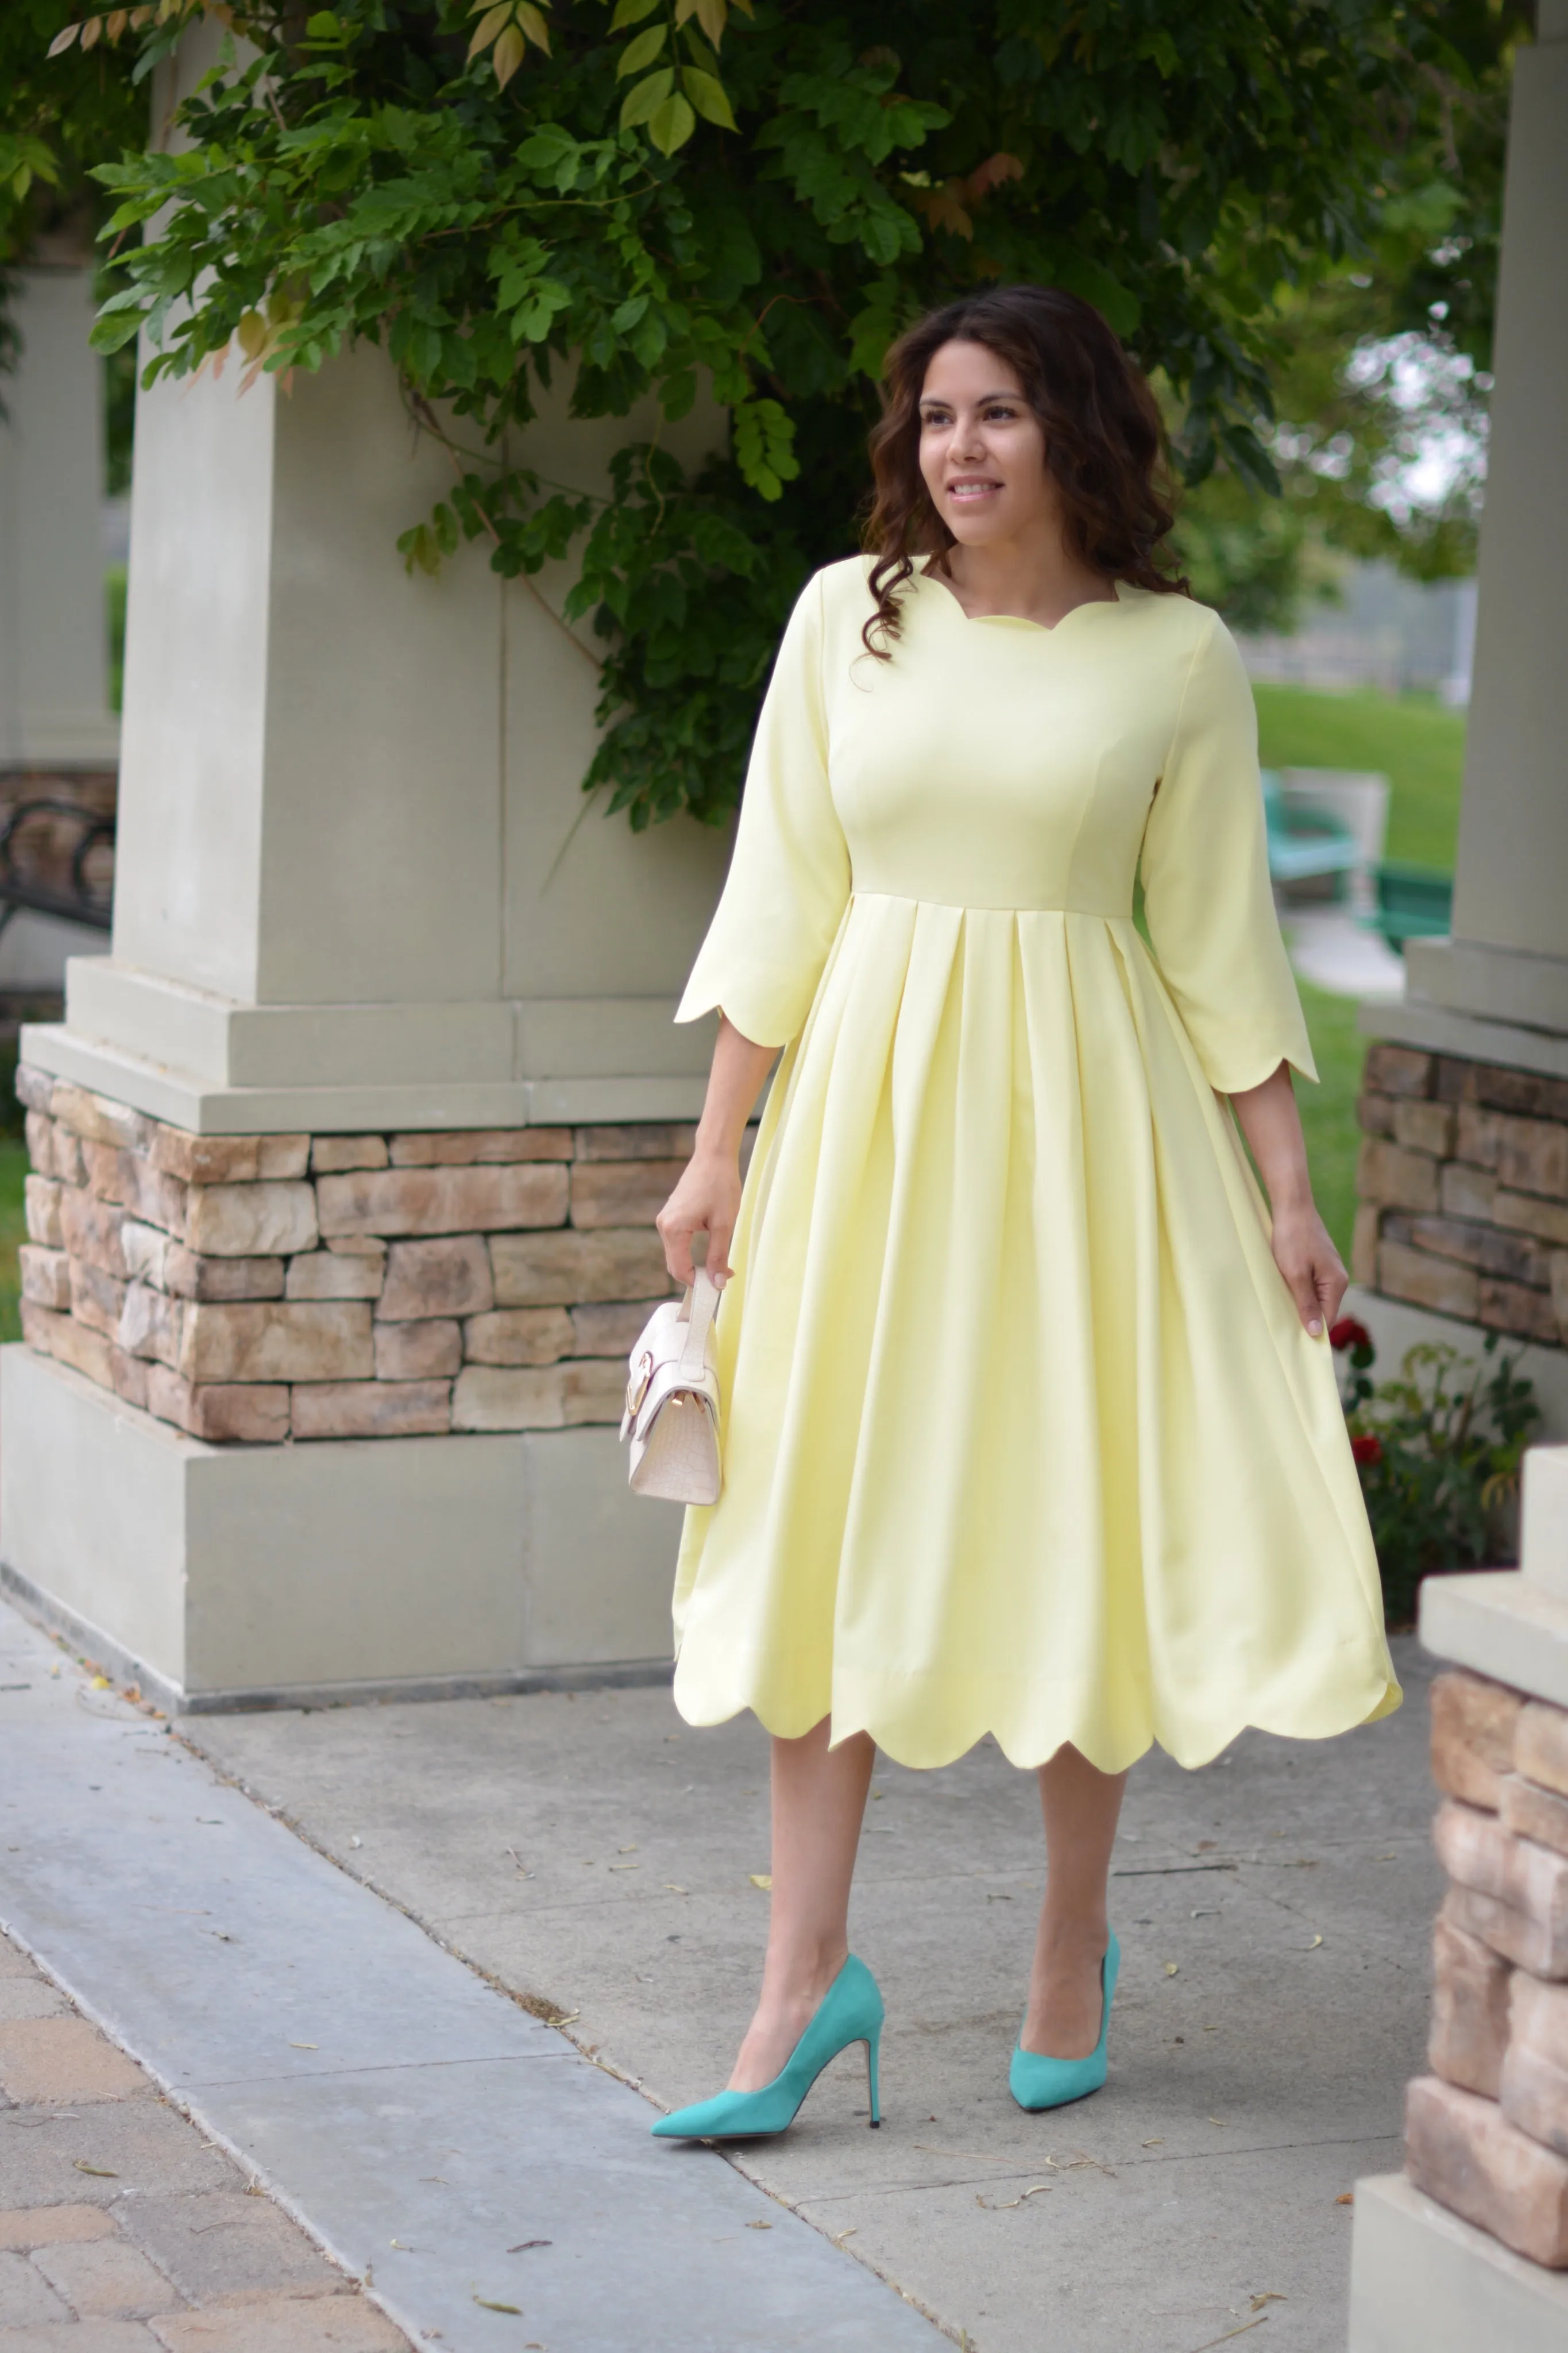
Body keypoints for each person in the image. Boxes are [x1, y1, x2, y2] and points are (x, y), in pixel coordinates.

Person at [648, 284, 1400, 2141]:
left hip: (1088, 1125)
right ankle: (800, 1990)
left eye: (994, 413)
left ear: (1072, 428)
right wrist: (719, 1145)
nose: (956, 450)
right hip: (867, 1128)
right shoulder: (850, 618)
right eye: (931, 418)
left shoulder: (1177, 659)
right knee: (820, 1514)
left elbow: (1223, 946)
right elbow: (780, 898)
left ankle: (1072, 1952)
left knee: (1079, 1515)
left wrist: (1290, 1197)